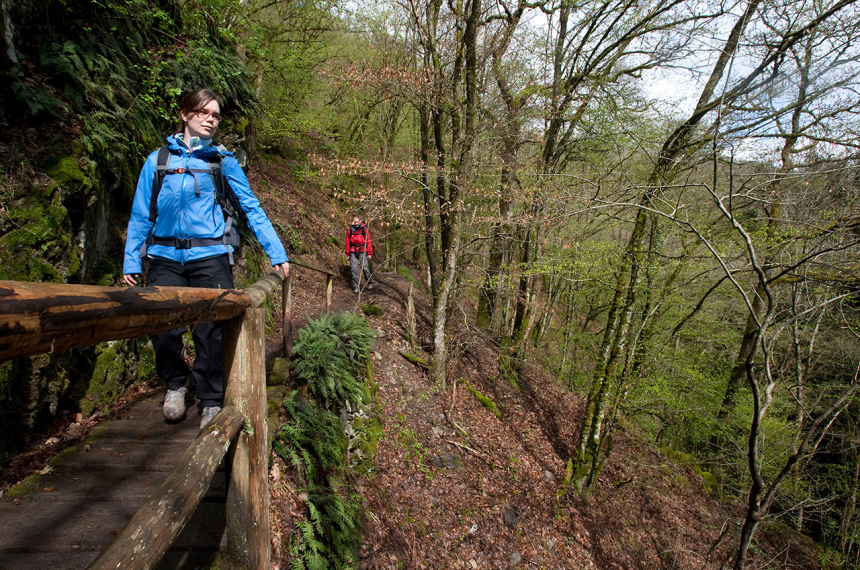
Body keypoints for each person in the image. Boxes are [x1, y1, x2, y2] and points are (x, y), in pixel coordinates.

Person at [122, 88, 290, 429]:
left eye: (215, 115)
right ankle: (176, 382)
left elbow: (251, 209)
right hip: (164, 256)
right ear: (185, 114)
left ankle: (211, 400)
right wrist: (130, 261)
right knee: (162, 328)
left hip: (210, 254)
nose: (211, 119)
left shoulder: (222, 162)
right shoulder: (157, 161)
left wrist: (277, 253)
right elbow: (141, 214)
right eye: (204, 113)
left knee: (211, 332)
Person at [345, 215, 373, 293]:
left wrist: (369, 252)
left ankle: (369, 282)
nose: (356, 223)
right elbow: (347, 242)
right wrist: (348, 253)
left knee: (364, 267)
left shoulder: (364, 229)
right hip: (353, 250)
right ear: (353, 222)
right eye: (355, 222)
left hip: (362, 250)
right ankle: (356, 287)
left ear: (359, 221)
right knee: (353, 268)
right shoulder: (349, 230)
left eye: (357, 222)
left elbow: (368, 240)